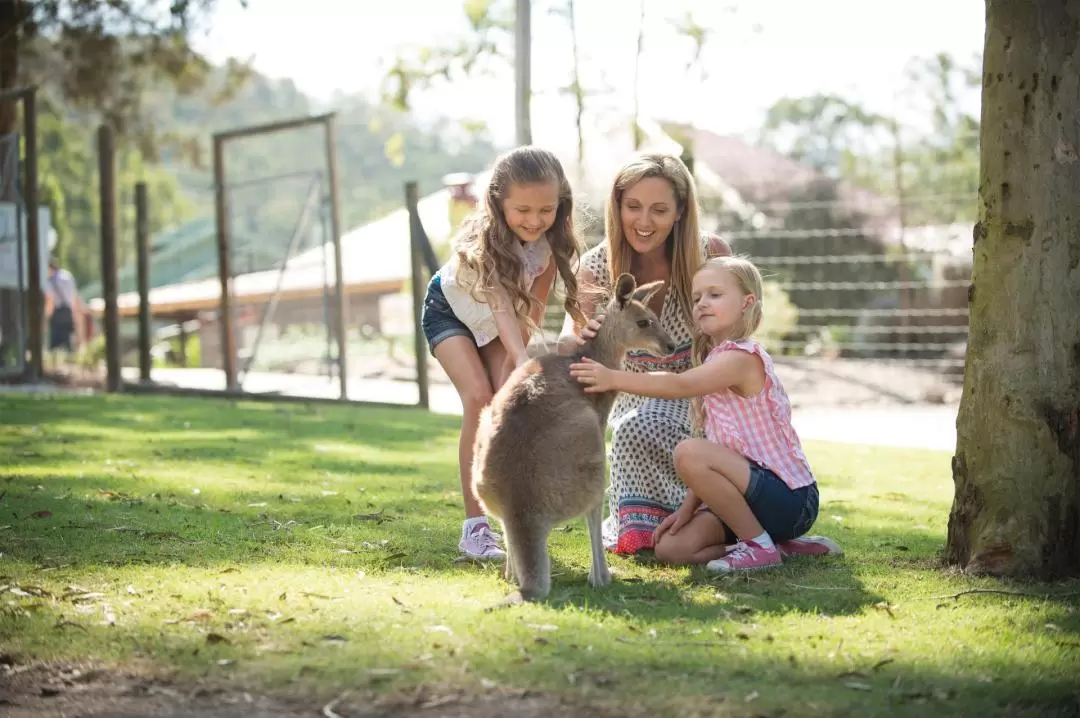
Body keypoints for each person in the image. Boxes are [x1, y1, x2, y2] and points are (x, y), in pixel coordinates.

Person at [569, 256, 842, 572]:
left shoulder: (741, 357)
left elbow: (680, 384)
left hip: (789, 500)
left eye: (715, 294)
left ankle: (758, 547)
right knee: (672, 549)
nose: (701, 303)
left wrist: (613, 377)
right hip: (747, 500)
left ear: (746, 302)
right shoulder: (714, 359)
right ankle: (776, 546)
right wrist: (685, 514)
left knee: (688, 451)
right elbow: (721, 454)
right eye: (697, 297)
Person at [557, 152, 732, 555]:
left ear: (680, 211)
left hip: (700, 399)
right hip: (631, 396)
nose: (643, 221)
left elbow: (735, 335)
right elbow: (571, 335)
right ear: (616, 206)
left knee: (644, 425)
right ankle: (650, 529)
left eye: (659, 210)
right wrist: (578, 335)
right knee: (635, 425)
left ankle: (716, 521)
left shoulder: (709, 254)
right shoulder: (597, 267)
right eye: (632, 206)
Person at [421, 145, 586, 561]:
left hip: (502, 325)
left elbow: (530, 311)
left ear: (559, 204)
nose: (534, 221)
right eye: (523, 210)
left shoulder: (549, 247)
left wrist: (522, 358)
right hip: (450, 313)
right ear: (498, 203)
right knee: (478, 399)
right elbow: (497, 303)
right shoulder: (489, 240)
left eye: (545, 210)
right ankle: (474, 529)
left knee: (504, 405)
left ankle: (517, 518)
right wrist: (518, 355)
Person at [44, 259, 84, 364]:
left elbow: (50, 299)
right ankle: (70, 363)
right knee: (67, 340)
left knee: (55, 342)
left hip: (58, 312)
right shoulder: (68, 276)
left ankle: (55, 364)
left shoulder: (51, 280)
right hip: (68, 311)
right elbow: (74, 295)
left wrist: (46, 316)